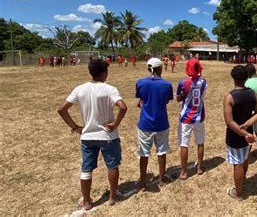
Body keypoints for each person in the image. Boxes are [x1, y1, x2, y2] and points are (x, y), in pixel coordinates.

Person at [57, 59, 127, 210]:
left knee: (86, 169)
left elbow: (62, 109)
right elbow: (123, 107)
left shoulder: (80, 89)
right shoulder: (109, 89)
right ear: (103, 73)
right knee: (112, 165)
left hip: (87, 137)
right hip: (108, 136)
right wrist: (115, 124)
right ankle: (113, 196)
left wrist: (75, 127)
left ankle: (87, 202)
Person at [135, 58, 174, 190]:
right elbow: (166, 101)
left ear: (148, 69)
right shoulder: (167, 85)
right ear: (160, 68)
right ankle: (162, 178)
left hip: (145, 123)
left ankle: (143, 181)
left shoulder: (140, 83)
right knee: (161, 151)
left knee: (144, 153)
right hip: (161, 122)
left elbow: (142, 98)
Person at [224, 65, 257, 200]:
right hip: (248, 135)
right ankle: (242, 180)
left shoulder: (229, 97)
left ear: (233, 77)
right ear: (247, 77)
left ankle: (238, 193)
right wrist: (247, 126)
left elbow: (229, 122)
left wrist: (244, 133)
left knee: (238, 163)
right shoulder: (253, 93)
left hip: (236, 135)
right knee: (244, 157)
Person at [176, 58, 207, 179]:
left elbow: (179, 99)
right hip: (199, 116)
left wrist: (183, 94)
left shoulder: (183, 82)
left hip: (186, 118)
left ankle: (183, 172)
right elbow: (202, 97)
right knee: (200, 142)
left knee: (184, 144)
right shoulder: (204, 82)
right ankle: (199, 167)